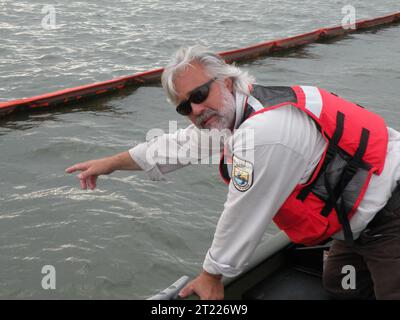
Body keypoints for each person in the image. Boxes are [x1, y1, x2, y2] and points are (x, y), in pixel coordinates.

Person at [66, 46, 400, 300]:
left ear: (226, 81)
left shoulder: (263, 132)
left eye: (199, 95)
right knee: (338, 285)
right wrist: (110, 163)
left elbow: (243, 214)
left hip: (389, 214)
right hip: (353, 224)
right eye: (185, 107)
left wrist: (212, 275)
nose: (196, 110)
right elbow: (176, 146)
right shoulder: (234, 109)